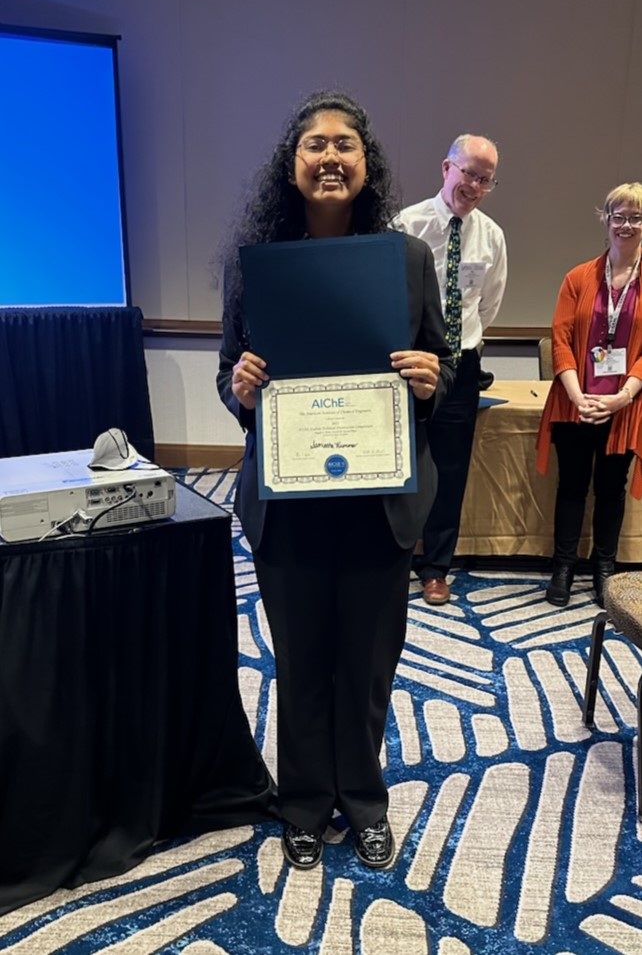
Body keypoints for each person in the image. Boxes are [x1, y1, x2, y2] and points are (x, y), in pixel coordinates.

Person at [216, 91, 454, 870]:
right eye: (314, 143)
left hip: (378, 502)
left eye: (345, 143)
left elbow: (442, 366)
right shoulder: (255, 268)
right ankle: (305, 804)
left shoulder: (407, 260)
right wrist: (241, 389)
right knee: (304, 658)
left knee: (368, 663)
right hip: (289, 502)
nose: (330, 155)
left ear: (365, 164)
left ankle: (365, 799)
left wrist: (430, 377)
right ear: (291, 165)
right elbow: (230, 376)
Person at [393, 135, 507, 604]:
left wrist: (460, 347)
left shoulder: (492, 235)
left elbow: (491, 304)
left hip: (460, 364)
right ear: (447, 168)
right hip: (409, 364)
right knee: (403, 462)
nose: (475, 185)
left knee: (450, 469)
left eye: (486, 179)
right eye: (469, 173)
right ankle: (397, 556)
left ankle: (436, 567)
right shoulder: (407, 224)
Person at [536, 183, 642, 608]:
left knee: (611, 490)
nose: (627, 224)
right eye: (619, 215)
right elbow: (560, 339)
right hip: (574, 403)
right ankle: (563, 567)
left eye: (636, 217)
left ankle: (604, 569)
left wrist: (621, 398)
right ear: (606, 220)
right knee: (572, 487)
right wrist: (578, 396)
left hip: (624, 406)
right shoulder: (578, 277)